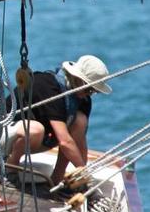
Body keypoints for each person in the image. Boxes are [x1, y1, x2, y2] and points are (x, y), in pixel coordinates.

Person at [6, 54, 111, 186]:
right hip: (7, 135)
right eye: (89, 89)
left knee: (79, 120)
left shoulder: (82, 100)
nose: (89, 94)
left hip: (40, 141)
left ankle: (56, 179)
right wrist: (84, 174)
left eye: (94, 91)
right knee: (36, 130)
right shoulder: (49, 87)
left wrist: (82, 176)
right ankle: (10, 170)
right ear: (78, 79)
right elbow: (64, 141)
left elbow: (79, 143)